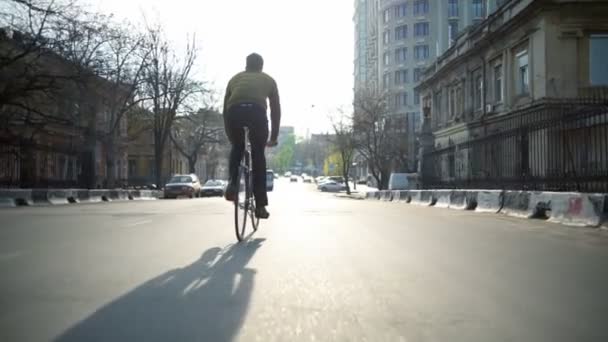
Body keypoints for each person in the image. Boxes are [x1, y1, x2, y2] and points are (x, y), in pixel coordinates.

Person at [223, 53, 281, 219]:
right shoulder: (268, 80)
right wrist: (274, 137)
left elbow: (225, 110)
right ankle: (261, 206)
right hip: (256, 113)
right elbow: (275, 110)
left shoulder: (234, 79)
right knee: (258, 156)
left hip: (235, 113)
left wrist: (231, 136)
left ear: (246, 65)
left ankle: (233, 184)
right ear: (261, 66)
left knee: (237, 147)